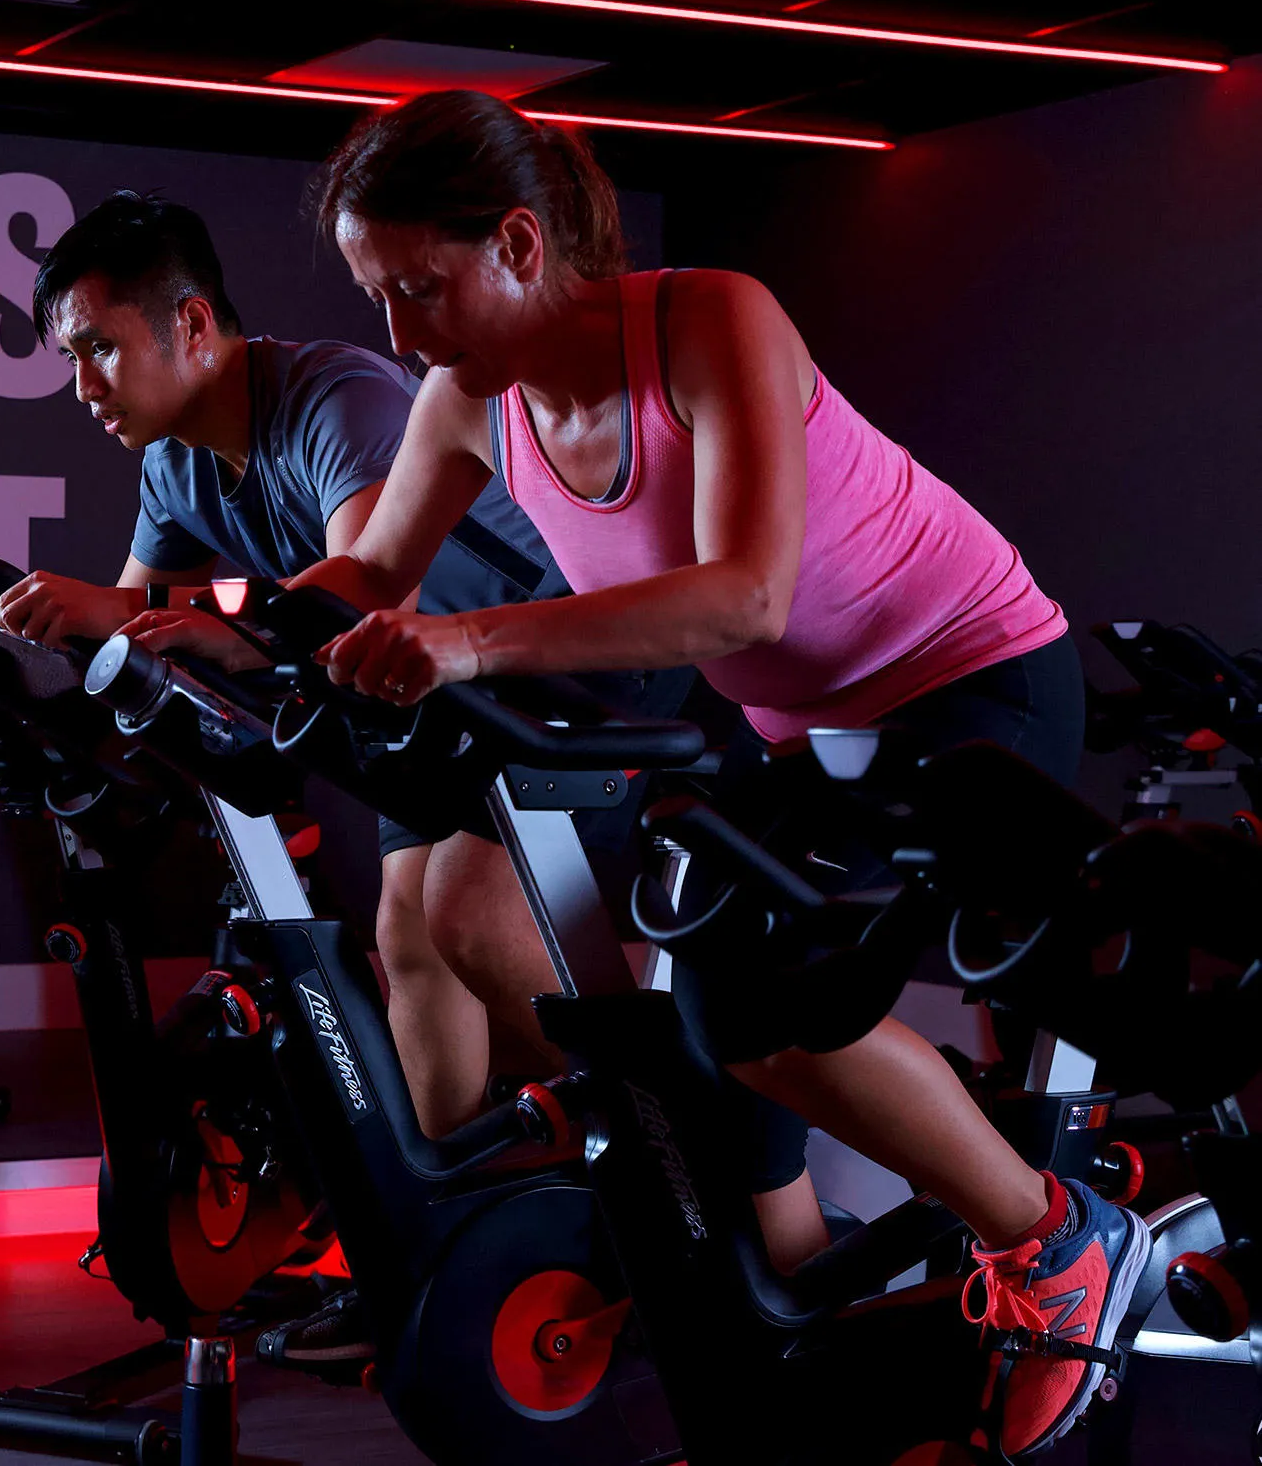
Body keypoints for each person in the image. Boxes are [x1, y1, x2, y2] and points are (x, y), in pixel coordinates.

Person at [178, 87, 1137, 1459]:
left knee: (770, 1000)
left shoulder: (710, 319)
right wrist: (223, 638)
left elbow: (741, 600)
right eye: (376, 299)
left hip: (967, 678)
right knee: (704, 1001)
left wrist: (461, 644)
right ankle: (795, 1328)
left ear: (518, 243)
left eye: (420, 287)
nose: (401, 335)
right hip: (805, 722)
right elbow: (368, 571)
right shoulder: (464, 400)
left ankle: (1053, 1237)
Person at [0, 189, 660, 1368]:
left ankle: (667, 1168)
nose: (82, 383)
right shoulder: (180, 468)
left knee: (470, 918)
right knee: (408, 936)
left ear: (191, 325)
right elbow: (129, 635)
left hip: (556, 675)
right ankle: (433, 1238)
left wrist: (139, 609)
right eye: (68, 357)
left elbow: (358, 579)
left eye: (97, 347)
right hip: (427, 707)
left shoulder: (333, 395)